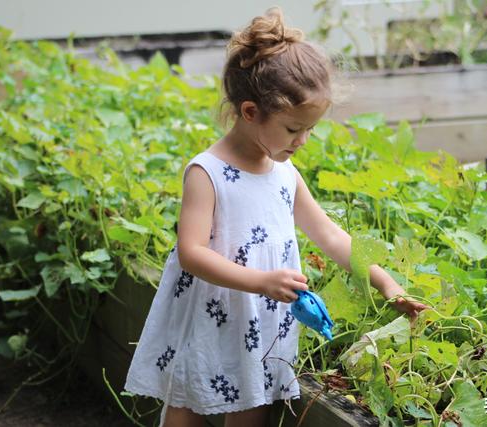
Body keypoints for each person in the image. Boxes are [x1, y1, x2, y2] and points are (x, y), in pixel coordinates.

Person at [124, 7, 427, 427]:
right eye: (292, 129)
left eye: (310, 130)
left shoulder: (284, 175)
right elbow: (191, 253)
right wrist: (261, 281)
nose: (302, 141)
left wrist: (386, 283)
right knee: (187, 405)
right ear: (250, 112)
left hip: (263, 323)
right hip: (214, 314)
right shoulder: (208, 173)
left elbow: (331, 237)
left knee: (254, 404)